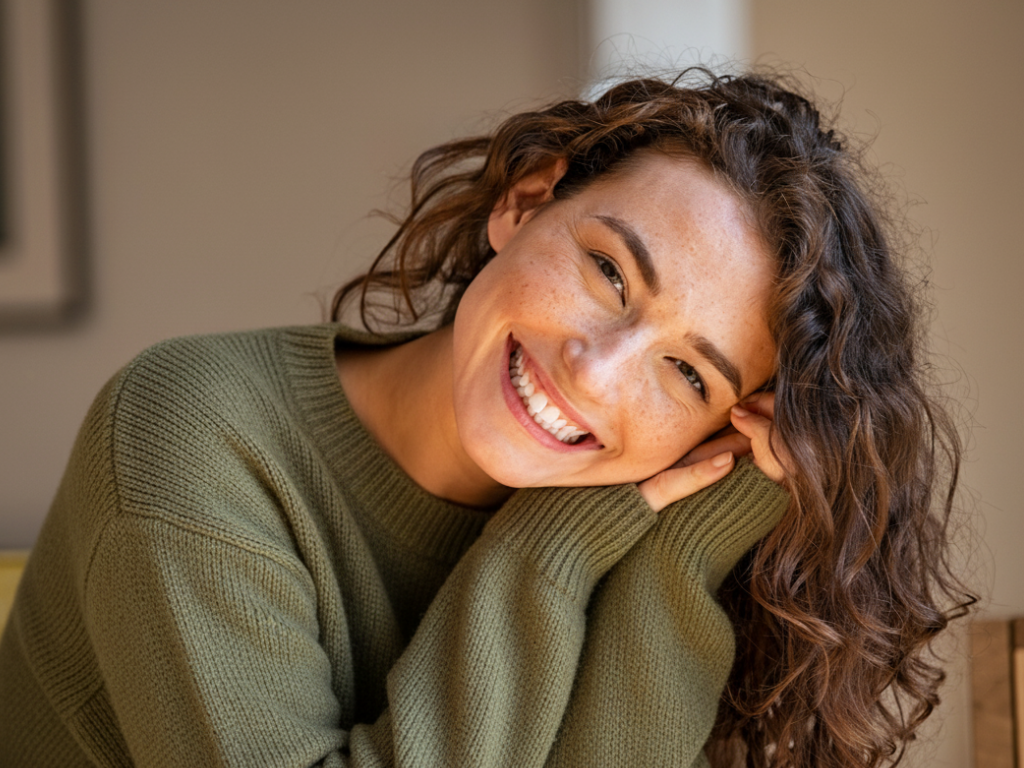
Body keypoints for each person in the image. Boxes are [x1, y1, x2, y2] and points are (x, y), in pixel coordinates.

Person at [0, 69, 971, 768]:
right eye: (607, 271)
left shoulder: (640, 523)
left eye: (685, 373)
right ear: (526, 201)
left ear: (725, 427)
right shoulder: (196, 431)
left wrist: (683, 549)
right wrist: (547, 546)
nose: (595, 372)